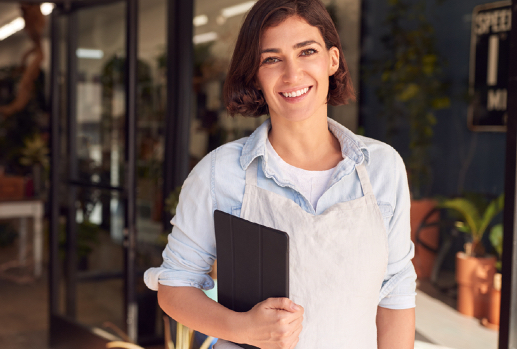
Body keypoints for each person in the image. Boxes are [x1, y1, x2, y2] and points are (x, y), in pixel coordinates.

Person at [143, 0, 417, 348]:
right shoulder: (219, 174)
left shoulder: (381, 167)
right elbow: (174, 286)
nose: (292, 74)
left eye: (307, 51)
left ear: (332, 59)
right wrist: (242, 328)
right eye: (271, 59)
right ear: (254, 75)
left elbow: (395, 292)